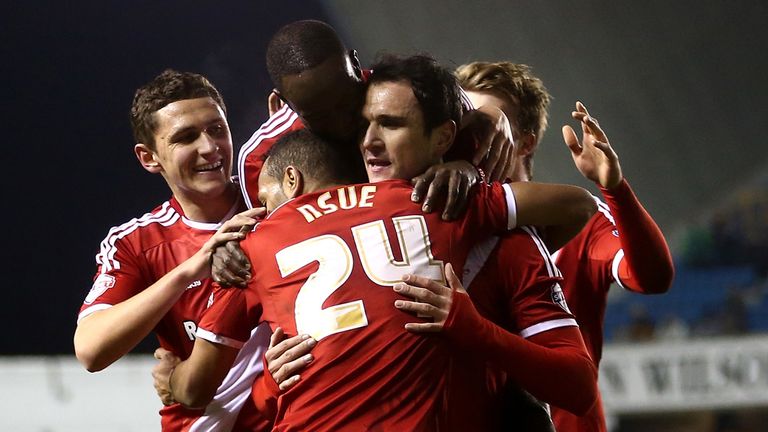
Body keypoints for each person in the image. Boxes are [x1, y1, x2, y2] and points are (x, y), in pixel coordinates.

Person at [157, 54, 597, 431]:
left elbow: (577, 386)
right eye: (364, 124)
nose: (369, 141)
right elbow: (579, 206)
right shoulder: (466, 211)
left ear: (444, 136)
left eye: (390, 124)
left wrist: (475, 330)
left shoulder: (490, 227)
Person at [456, 61, 675, 432]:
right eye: (472, 124)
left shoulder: (579, 221)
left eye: (493, 123)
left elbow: (651, 277)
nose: (481, 135)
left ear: (525, 142)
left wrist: (616, 189)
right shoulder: (445, 223)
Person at [73, 69, 292, 431]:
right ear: (149, 157)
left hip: (294, 417)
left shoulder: (275, 202)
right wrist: (192, 268)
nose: (210, 148)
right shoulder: (136, 242)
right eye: (186, 138)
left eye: (217, 129)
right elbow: (91, 350)